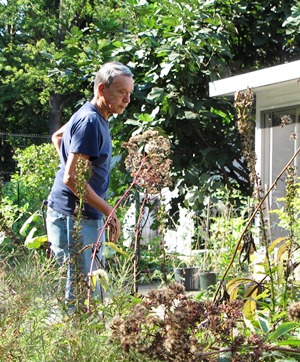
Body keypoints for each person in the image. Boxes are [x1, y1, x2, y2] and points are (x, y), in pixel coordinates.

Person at [46, 62, 134, 309]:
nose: (127, 99)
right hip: (74, 217)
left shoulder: (92, 115)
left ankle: (79, 340)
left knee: (86, 286)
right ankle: (74, 345)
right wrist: (110, 211)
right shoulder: (90, 122)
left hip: (78, 213)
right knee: (82, 290)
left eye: (130, 93)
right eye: (121, 92)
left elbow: (59, 137)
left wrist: (69, 165)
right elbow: (72, 179)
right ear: (101, 89)